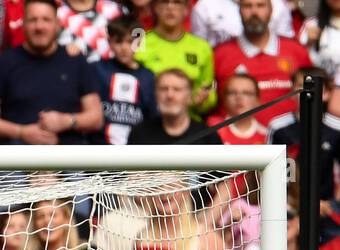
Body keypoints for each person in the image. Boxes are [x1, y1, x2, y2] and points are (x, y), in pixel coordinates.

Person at [0, 0, 104, 145]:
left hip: (69, 159)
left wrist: (67, 121)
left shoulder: (76, 61)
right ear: (23, 24)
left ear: (58, 24)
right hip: (17, 159)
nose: (39, 26)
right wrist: (20, 132)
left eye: (46, 20)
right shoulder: (5, 62)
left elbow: (96, 118)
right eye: (33, 20)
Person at [211, 0, 313, 128]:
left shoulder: (296, 51)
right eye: (248, 6)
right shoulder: (220, 54)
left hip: (290, 142)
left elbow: (313, 98)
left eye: (260, 5)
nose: (254, 12)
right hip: (238, 143)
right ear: (239, 11)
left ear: (271, 11)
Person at [135, 0, 216, 117]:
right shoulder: (139, 42)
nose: (170, 7)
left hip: (190, 124)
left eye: (177, 2)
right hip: (147, 121)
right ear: (155, 8)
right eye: (164, 2)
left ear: (186, 9)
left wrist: (201, 101)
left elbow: (209, 91)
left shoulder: (202, 47)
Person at [97, 14, 160, 145]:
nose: (124, 48)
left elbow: (154, 117)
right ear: (109, 42)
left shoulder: (148, 77)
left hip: (136, 152)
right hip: (99, 148)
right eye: (119, 41)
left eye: (130, 41)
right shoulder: (97, 70)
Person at [129, 69, 220, 145]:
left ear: (189, 96)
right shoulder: (139, 134)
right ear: (155, 94)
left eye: (177, 89)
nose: (170, 95)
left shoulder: (208, 137)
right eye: (163, 89)